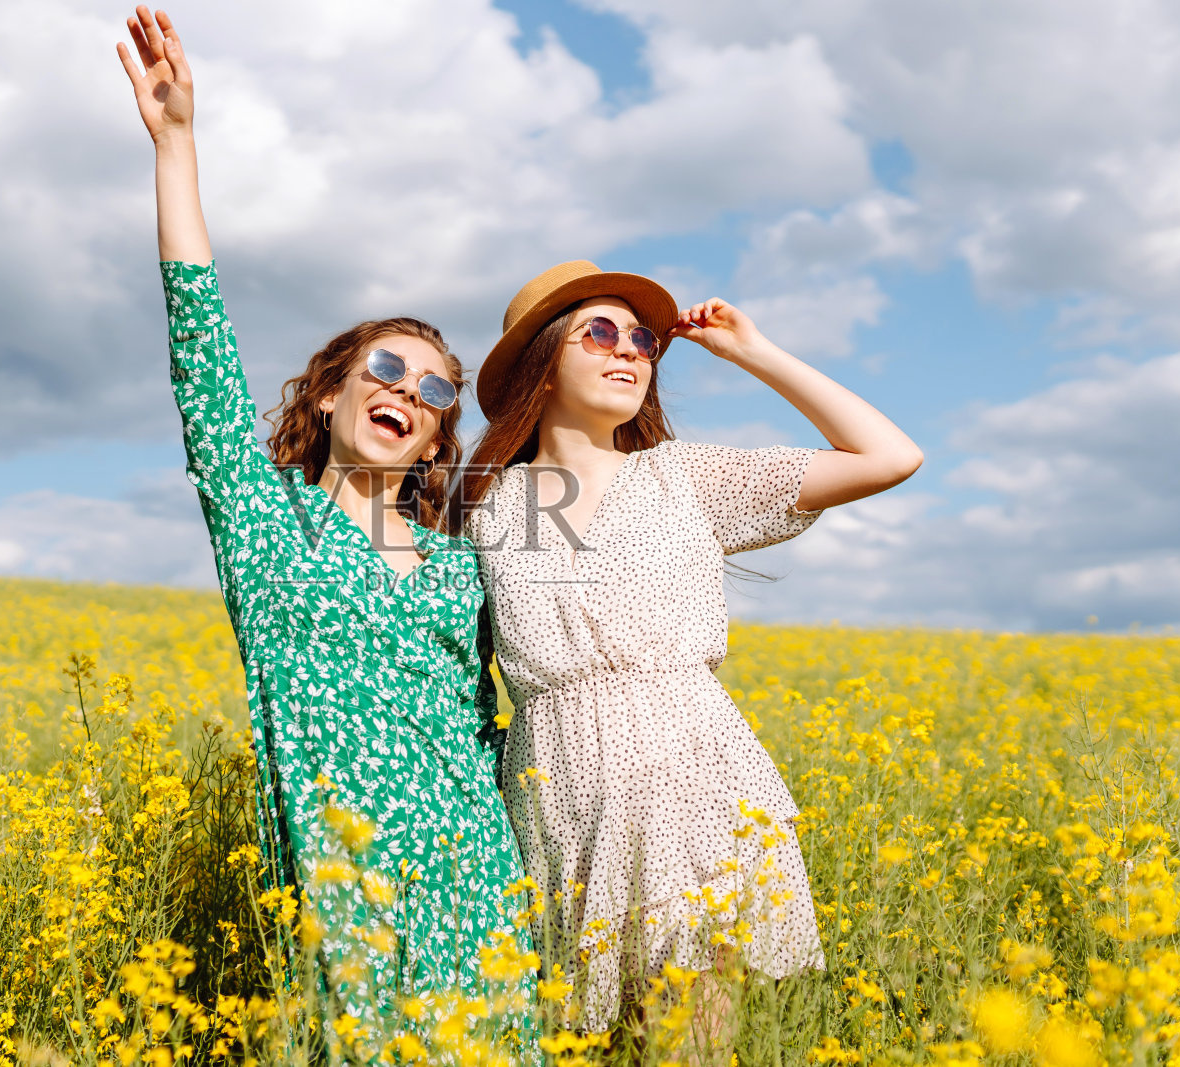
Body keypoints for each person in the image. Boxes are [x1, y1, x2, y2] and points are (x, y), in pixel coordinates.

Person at [117, 6, 536, 1040]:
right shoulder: (262, 517)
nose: (412, 390)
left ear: (439, 438)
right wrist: (177, 146)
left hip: (475, 869)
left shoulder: (461, 564)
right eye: (386, 368)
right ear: (332, 393)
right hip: (336, 866)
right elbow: (199, 339)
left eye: (438, 390)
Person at [457, 260, 923, 1041]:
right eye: (599, 331)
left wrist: (755, 352)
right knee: (585, 1045)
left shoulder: (685, 477)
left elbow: (890, 455)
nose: (631, 350)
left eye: (643, 339)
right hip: (557, 795)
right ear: (542, 360)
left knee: (687, 1043)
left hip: (693, 781)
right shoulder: (484, 506)